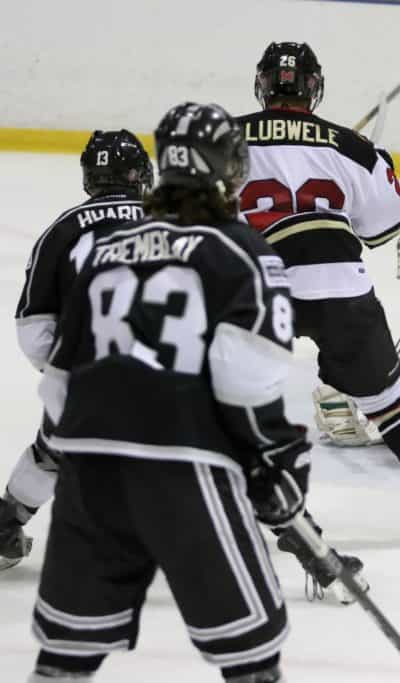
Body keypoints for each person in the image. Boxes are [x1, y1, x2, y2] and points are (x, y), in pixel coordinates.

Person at [28, 102, 318, 681]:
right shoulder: (242, 253)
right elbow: (248, 382)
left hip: (90, 474)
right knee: (250, 655)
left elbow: (59, 389)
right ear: (228, 168)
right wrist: (280, 469)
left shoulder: (107, 251)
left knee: (67, 655)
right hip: (185, 473)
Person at [235, 42, 400, 536]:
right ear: (314, 88)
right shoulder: (352, 148)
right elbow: (382, 229)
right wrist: (366, 165)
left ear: (261, 84)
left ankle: (225, 500)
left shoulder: (225, 139)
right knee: (386, 394)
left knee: (224, 394)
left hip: (255, 286)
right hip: (338, 283)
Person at [0, 130, 150, 571]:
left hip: (82, 382)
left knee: (50, 454)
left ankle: (6, 526)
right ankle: (287, 538)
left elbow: (34, 331)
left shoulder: (61, 231)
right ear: (140, 174)